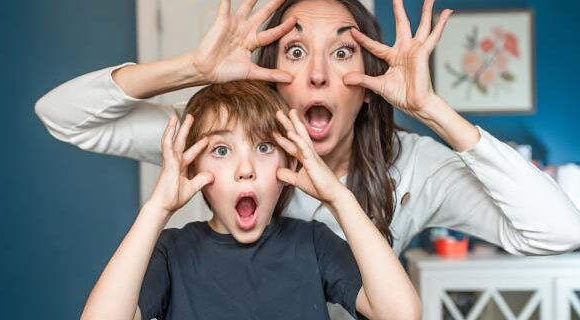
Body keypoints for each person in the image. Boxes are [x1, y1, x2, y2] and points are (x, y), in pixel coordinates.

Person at [36, 0, 580, 317]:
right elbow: (61, 115)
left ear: (368, 86)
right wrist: (193, 69)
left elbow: (557, 232)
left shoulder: (417, 168)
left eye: (341, 52)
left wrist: (435, 110)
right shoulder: (213, 143)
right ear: (268, 76)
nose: (318, 74)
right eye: (296, 52)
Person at [79, 81, 421, 320]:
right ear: (193, 165)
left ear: (289, 161)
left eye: (263, 147)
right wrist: (157, 210)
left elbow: (401, 314)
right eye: (222, 150)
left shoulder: (314, 244)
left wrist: (338, 197)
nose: (245, 169)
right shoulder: (173, 252)